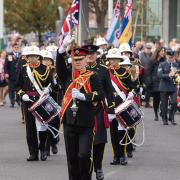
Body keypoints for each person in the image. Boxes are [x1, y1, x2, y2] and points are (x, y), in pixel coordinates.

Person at [56, 35, 104, 180]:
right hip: (69, 122)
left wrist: (85, 96)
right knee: (72, 157)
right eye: (75, 60)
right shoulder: (67, 75)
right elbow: (59, 65)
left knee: (83, 155)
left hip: (86, 122)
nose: (77, 62)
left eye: (80, 60)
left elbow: (100, 94)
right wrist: (62, 49)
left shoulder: (92, 76)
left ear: (86, 60)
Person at [16, 46, 53, 161]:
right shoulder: (23, 69)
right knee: (30, 127)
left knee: (42, 126)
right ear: (26, 58)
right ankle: (33, 152)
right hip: (28, 101)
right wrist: (22, 95)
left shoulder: (44, 69)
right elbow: (17, 86)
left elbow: (51, 84)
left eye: (34, 56)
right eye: (29, 56)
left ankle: (43, 149)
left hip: (41, 100)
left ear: (38, 57)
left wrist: (48, 90)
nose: (31, 58)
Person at [83, 44, 115, 180]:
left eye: (93, 53)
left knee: (99, 141)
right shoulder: (79, 69)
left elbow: (109, 90)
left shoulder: (103, 69)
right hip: (84, 110)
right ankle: (85, 169)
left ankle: (98, 167)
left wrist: (111, 109)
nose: (90, 56)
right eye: (88, 54)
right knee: (84, 143)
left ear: (97, 55)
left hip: (98, 109)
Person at [107, 48, 130, 166]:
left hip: (121, 104)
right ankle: (116, 156)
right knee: (113, 133)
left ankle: (123, 155)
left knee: (122, 131)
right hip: (110, 105)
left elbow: (130, 86)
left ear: (119, 59)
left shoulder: (124, 71)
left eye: (115, 59)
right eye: (111, 59)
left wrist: (131, 93)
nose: (113, 61)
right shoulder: (106, 72)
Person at [40, 49, 61, 156]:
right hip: (42, 101)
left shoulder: (56, 73)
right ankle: (46, 148)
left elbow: (58, 87)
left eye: (48, 60)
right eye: (44, 60)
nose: (46, 62)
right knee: (46, 124)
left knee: (55, 123)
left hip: (54, 101)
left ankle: (54, 142)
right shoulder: (39, 71)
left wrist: (52, 77)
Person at [157, 49, 179, 125]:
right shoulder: (162, 64)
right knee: (164, 104)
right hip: (164, 87)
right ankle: (164, 118)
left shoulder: (176, 65)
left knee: (175, 102)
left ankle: (171, 117)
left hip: (173, 87)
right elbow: (159, 75)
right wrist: (168, 75)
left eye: (172, 57)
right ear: (167, 56)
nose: (171, 59)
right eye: (170, 57)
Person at [149, 47, 166, 121]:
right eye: (162, 51)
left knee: (163, 99)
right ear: (158, 52)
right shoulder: (152, 61)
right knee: (156, 100)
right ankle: (156, 113)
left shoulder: (165, 61)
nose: (163, 52)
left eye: (164, 51)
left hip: (163, 82)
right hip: (154, 83)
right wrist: (149, 82)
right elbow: (149, 72)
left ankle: (162, 112)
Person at [4, 43, 21, 107]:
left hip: (19, 76)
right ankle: (12, 101)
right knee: (11, 90)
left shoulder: (21, 55)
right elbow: (6, 65)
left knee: (18, 89)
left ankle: (18, 100)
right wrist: (6, 73)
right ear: (12, 48)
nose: (16, 48)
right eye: (15, 47)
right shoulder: (9, 55)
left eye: (17, 47)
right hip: (11, 75)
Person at [139, 43, 153, 108]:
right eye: (147, 48)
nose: (148, 50)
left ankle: (147, 102)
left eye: (149, 49)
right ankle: (141, 101)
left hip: (150, 74)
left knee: (149, 89)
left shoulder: (152, 55)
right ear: (145, 49)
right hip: (142, 74)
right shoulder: (141, 55)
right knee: (142, 89)